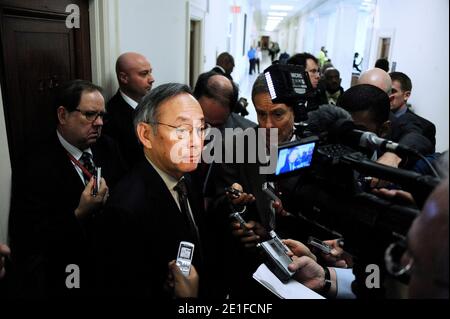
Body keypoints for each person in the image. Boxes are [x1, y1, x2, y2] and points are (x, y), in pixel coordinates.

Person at [94, 83, 216, 298]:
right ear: (146, 134)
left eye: (200, 129)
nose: (196, 142)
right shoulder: (125, 210)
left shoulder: (188, 176)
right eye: (182, 130)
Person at [8, 80, 127, 298]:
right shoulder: (35, 164)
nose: (99, 123)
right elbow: (31, 236)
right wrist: (79, 213)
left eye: (102, 116)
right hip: (68, 273)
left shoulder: (109, 147)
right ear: (63, 115)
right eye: (90, 115)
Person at [103, 52, 154, 169]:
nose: (152, 79)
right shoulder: (110, 116)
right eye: (144, 74)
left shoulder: (155, 105)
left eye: (150, 72)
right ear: (124, 78)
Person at [389, 72, 436, 149]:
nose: (388, 95)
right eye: (386, 90)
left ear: (406, 95)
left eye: (392, 91)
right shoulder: (375, 119)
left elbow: (427, 159)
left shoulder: (426, 127)